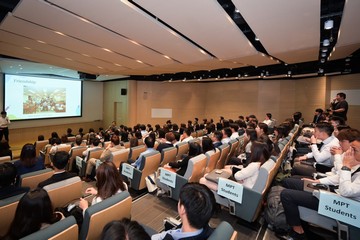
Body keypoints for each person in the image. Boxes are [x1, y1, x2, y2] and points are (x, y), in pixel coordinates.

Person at [280, 131, 360, 240]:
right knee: (291, 182)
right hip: (335, 194)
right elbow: (339, 178)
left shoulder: (351, 162)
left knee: (286, 195)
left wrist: (345, 166)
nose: (350, 151)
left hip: (343, 205)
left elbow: (346, 191)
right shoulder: (355, 163)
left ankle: (298, 233)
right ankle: (299, 221)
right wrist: (317, 182)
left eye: (354, 150)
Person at [200, 141, 270, 191]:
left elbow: (237, 176)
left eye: (252, 151)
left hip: (239, 191)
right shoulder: (262, 164)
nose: (250, 152)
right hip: (243, 188)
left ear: (256, 153)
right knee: (207, 175)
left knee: (202, 180)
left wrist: (241, 177)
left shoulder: (254, 165)